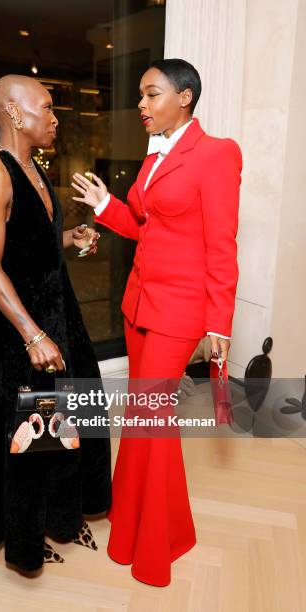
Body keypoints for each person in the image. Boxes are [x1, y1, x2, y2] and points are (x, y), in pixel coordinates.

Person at [72, 58, 242, 586]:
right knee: (146, 424)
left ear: (185, 97)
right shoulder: (154, 158)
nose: (140, 106)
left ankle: (152, 547)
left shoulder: (217, 154)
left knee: (151, 421)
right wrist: (106, 206)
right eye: (141, 96)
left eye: (151, 95)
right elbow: (144, 228)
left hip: (181, 312)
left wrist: (220, 324)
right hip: (139, 305)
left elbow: (222, 244)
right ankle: (144, 528)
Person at [0, 74, 111, 573]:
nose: (54, 118)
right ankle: (25, 539)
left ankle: (58, 515)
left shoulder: (33, 167)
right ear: (13, 112)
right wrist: (32, 334)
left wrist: (72, 237)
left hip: (59, 312)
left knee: (68, 418)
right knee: (33, 430)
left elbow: (34, 244)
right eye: (46, 108)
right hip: (22, 327)